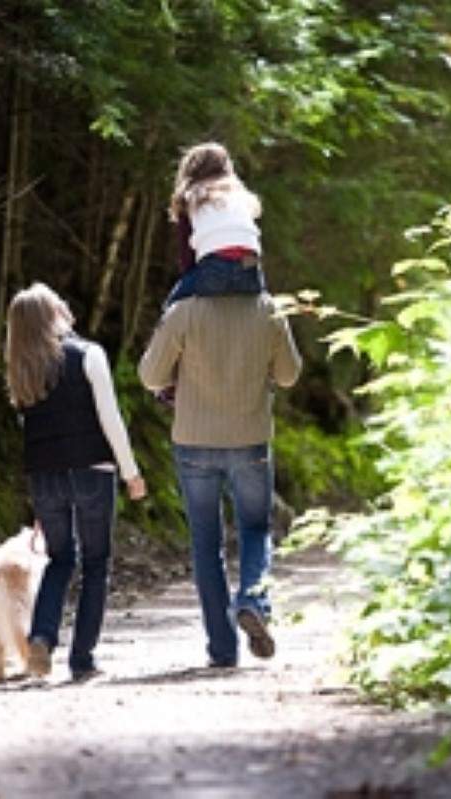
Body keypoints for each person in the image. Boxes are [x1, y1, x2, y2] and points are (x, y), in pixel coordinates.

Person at [138, 197, 303, 668]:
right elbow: (290, 376)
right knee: (255, 528)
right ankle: (253, 601)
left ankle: (222, 648)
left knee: (205, 545)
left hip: (193, 441)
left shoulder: (184, 311)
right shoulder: (268, 308)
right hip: (250, 438)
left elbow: (150, 377)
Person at [5, 282, 147, 683]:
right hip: (92, 471)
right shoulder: (88, 354)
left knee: (60, 560)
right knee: (96, 563)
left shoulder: (22, 370)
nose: (66, 305)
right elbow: (110, 418)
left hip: (45, 477)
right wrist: (132, 473)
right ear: (50, 316)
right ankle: (82, 660)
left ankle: (43, 637)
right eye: (57, 303)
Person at [156, 141, 269, 407]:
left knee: (170, 310)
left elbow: (187, 255)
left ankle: (169, 385)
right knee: (266, 315)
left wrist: (191, 283)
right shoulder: (241, 197)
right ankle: (266, 373)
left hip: (213, 266)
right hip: (251, 267)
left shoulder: (192, 197)